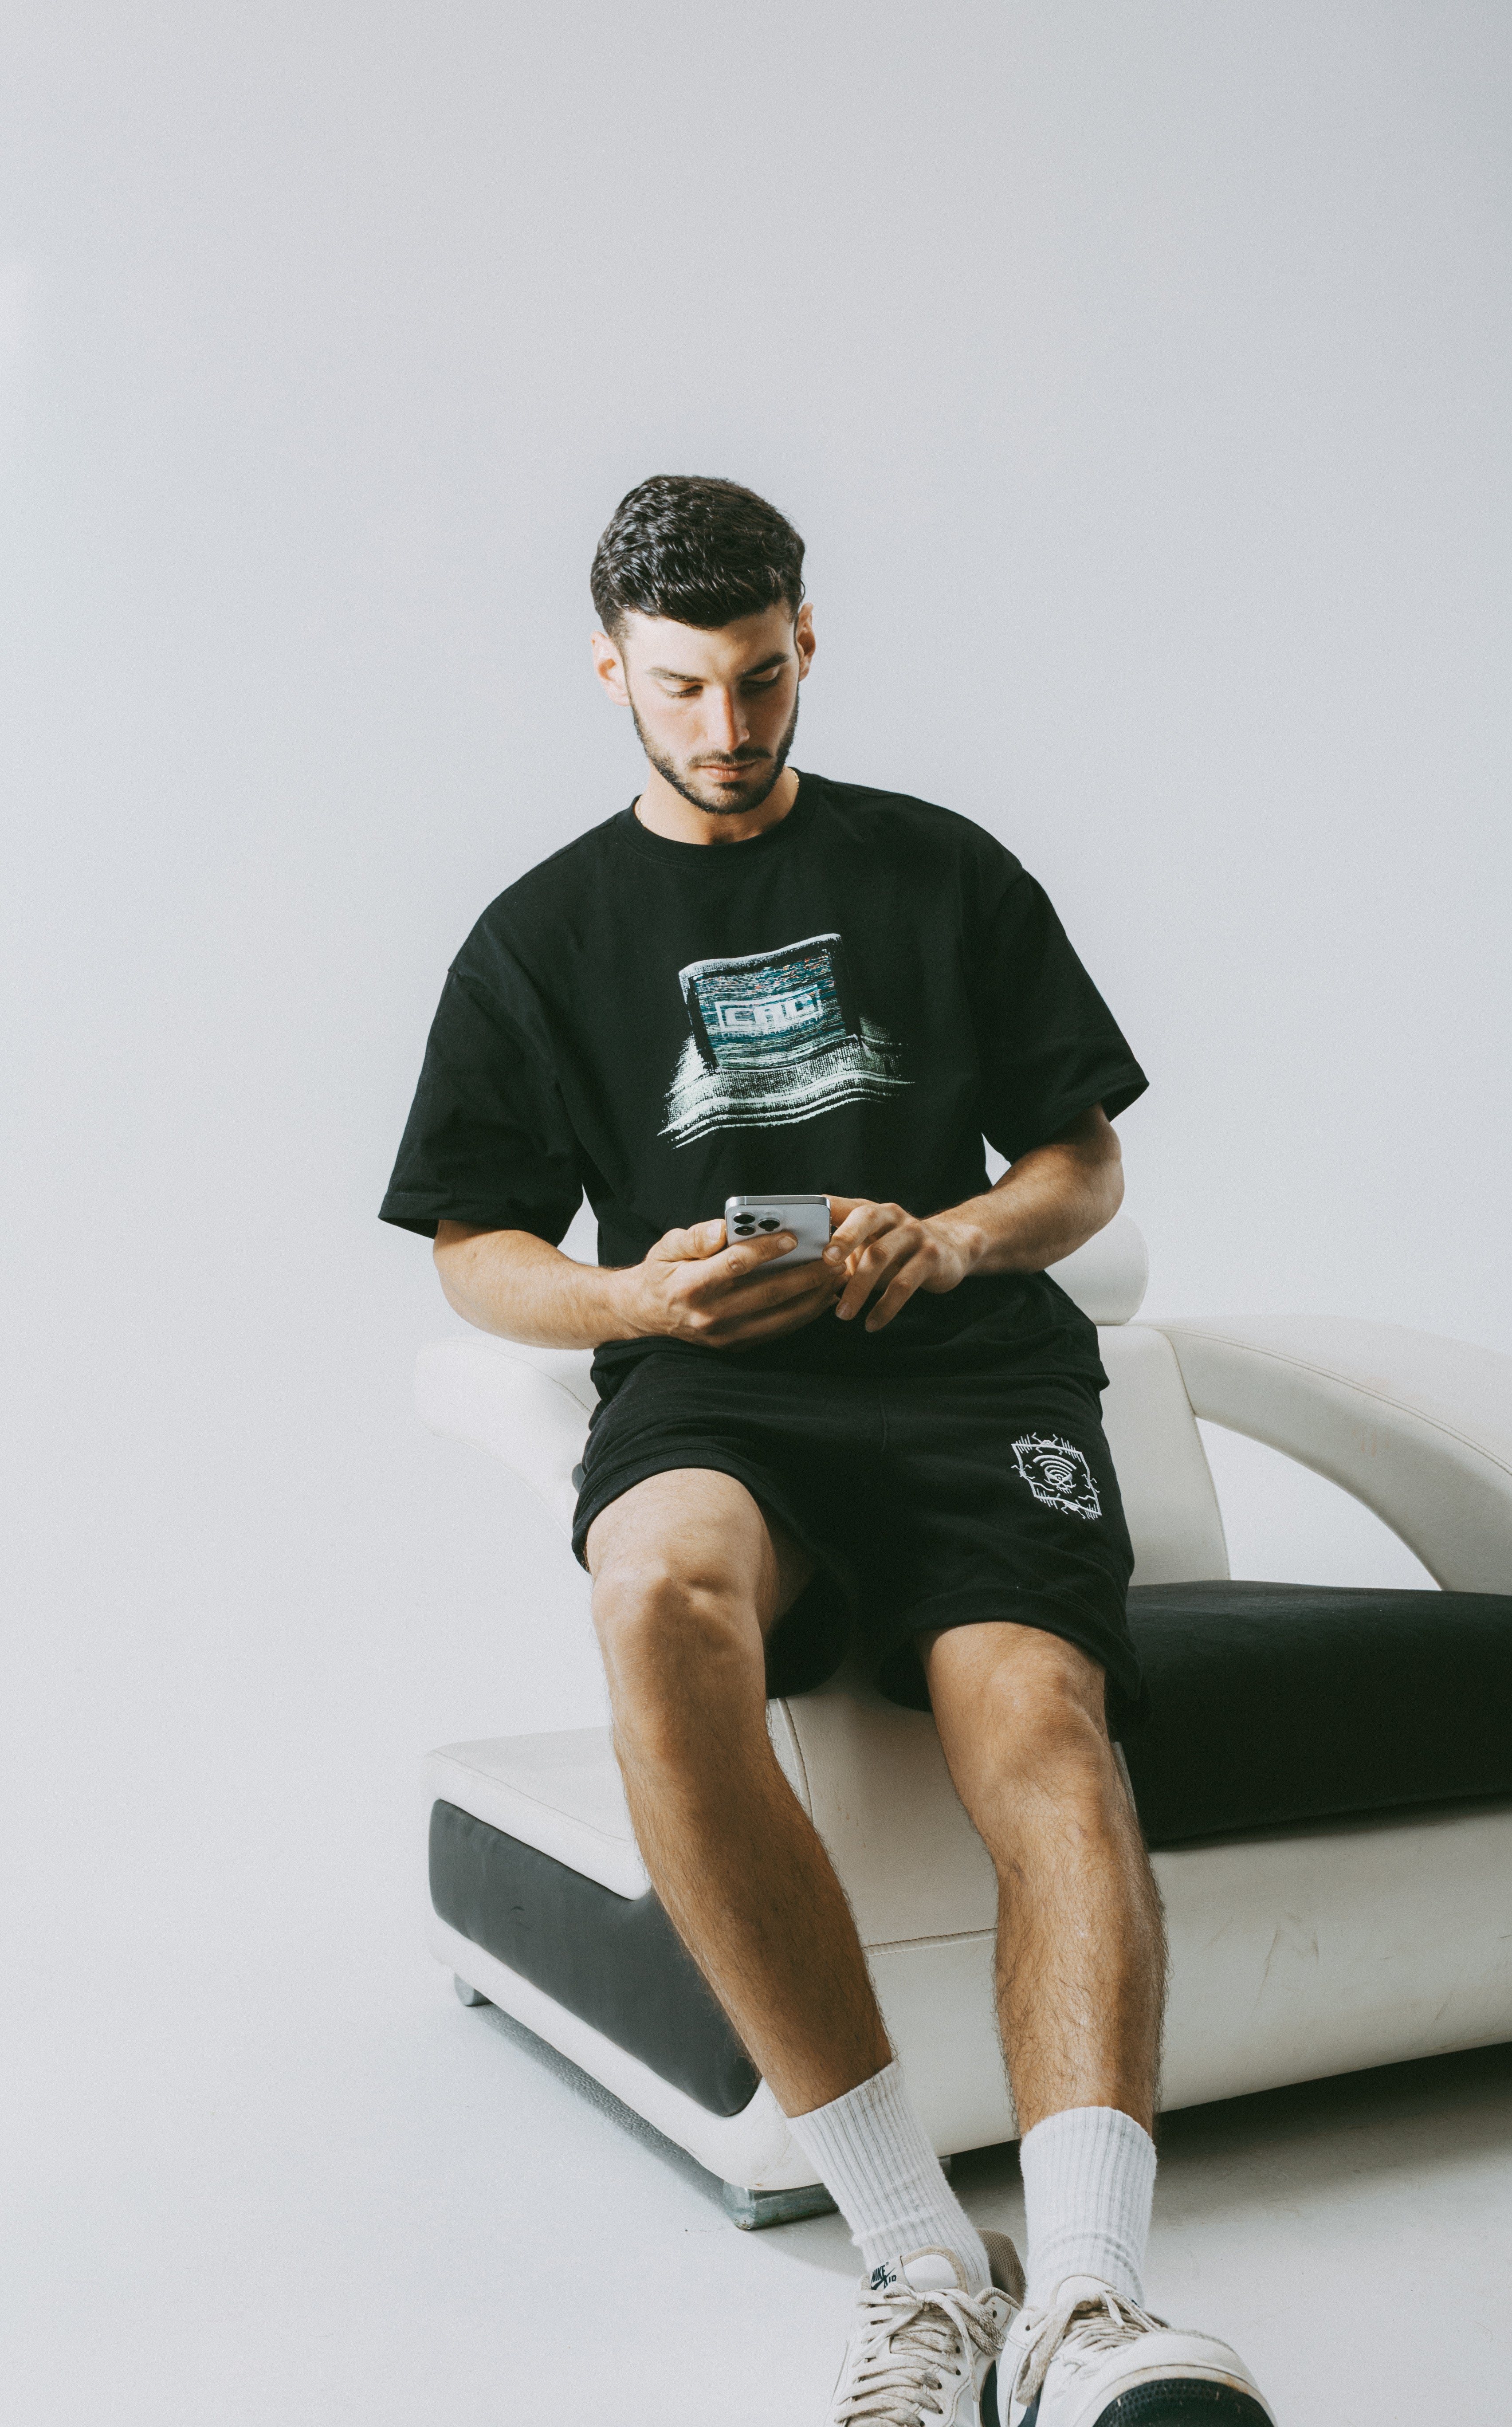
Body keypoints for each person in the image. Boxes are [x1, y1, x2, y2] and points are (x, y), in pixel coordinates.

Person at [381, 475, 1274, 2427]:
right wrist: (634, 1300)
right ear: (609, 668)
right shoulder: (539, 938)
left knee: (1038, 1723)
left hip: (968, 1380)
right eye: (687, 690)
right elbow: (477, 1252)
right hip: (716, 1388)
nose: (730, 731)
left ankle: (1096, 2304)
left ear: (810, 643)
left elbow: (1081, 1159)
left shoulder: (944, 870)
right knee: (651, 1592)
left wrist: (954, 1232)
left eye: (765, 682)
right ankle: (919, 2263)